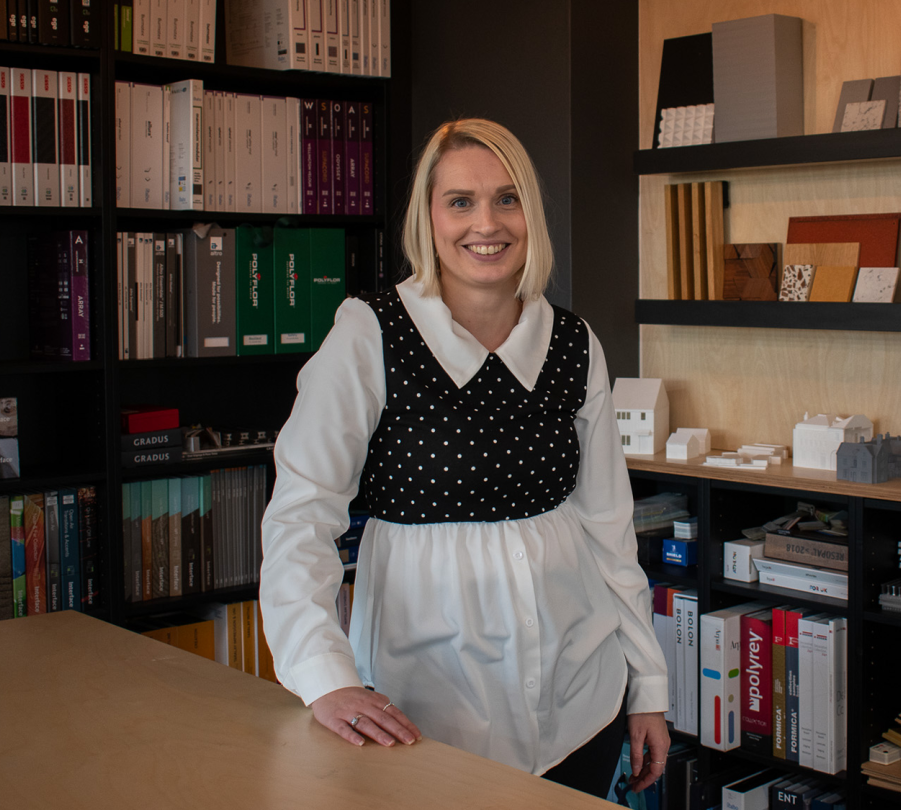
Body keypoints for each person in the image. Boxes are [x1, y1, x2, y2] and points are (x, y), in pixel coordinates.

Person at [259, 118, 670, 798]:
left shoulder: (573, 342)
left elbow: (608, 527)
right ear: (429, 216)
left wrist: (647, 684)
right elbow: (300, 517)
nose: (488, 222)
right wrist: (323, 676)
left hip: (579, 703)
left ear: (530, 213)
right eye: (461, 201)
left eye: (507, 199)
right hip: (426, 712)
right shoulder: (371, 333)